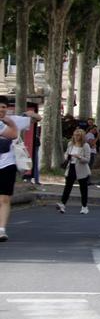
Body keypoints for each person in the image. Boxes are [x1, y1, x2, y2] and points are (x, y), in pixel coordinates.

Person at [0, 95, 31, 243]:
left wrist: (30, 115)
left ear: (7, 108)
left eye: (3, 107)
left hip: (7, 164)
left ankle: (1, 230)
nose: (1, 109)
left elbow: (35, 118)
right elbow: (12, 133)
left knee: (4, 198)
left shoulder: (14, 120)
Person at [57, 128, 96, 214]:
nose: (76, 137)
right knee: (67, 187)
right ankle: (62, 204)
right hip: (71, 167)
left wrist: (79, 157)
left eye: (78, 135)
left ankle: (84, 207)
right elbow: (66, 153)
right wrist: (68, 156)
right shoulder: (70, 144)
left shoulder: (85, 146)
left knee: (83, 189)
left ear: (82, 136)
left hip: (81, 169)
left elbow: (87, 159)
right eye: (75, 135)